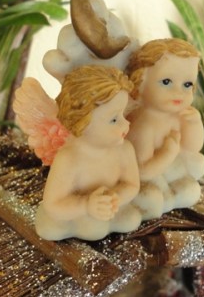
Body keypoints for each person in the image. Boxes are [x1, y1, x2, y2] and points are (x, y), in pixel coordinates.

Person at [35, 65, 142, 241]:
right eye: (114, 119)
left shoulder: (125, 149)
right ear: (82, 123)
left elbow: (131, 185)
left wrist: (114, 198)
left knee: (131, 220)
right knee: (62, 229)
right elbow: (53, 205)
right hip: (77, 212)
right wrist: (86, 205)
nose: (126, 124)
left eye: (123, 114)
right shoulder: (69, 158)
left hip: (111, 209)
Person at [125, 38, 204, 219]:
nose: (179, 92)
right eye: (166, 82)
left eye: (187, 85)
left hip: (171, 168)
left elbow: (192, 147)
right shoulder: (144, 125)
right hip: (148, 176)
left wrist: (194, 123)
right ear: (140, 82)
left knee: (193, 185)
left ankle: (174, 194)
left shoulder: (179, 115)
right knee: (160, 200)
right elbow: (142, 171)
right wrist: (168, 153)